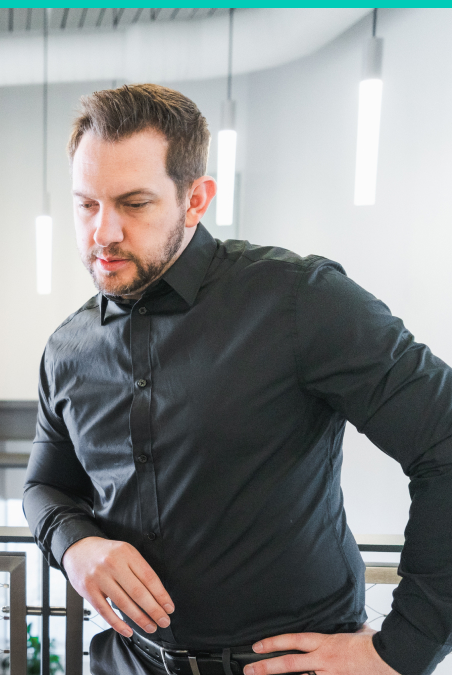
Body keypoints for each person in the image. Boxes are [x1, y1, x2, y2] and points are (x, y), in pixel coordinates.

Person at [23, 83, 452, 675]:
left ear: (195, 199)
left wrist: (405, 651)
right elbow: (45, 487)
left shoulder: (301, 300)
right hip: (129, 662)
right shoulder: (66, 349)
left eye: (134, 203)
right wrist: (76, 544)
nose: (103, 233)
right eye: (86, 205)